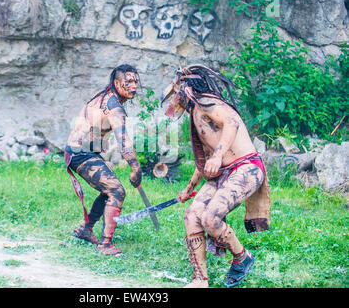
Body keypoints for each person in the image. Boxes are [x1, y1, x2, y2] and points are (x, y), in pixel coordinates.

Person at [160, 64, 271, 287]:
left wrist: (217, 158)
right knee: (192, 216)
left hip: (245, 168)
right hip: (223, 173)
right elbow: (205, 161)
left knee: (210, 218)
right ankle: (200, 279)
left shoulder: (208, 102)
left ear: (187, 88)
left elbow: (231, 124)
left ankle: (242, 257)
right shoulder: (197, 113)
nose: (174, 100)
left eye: (177, 93)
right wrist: (189, 188)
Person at [64, 64, 143, 256]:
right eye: (129, 81)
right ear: (117, 83)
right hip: (80, 153)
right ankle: (105, 244)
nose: (134, 86)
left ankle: (85, 229)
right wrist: (135, 168)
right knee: (116, 191)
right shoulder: (114, 106)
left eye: (135, 82)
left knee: (109, 190)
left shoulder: (105, 97)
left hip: (81, 152)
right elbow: (123, 141)